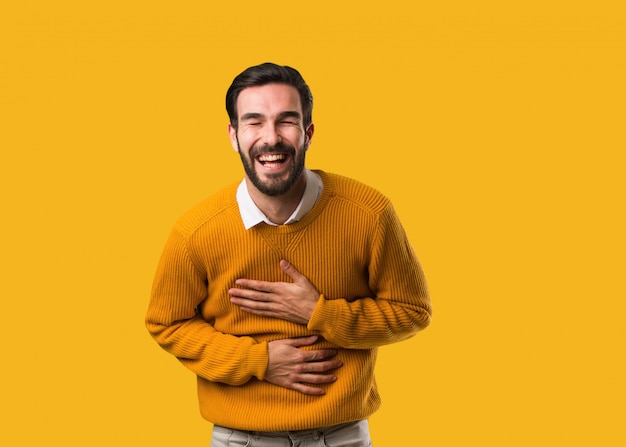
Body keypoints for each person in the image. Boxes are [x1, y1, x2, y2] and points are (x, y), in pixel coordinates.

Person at [146, 62, 432, 447]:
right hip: (240, 439)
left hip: (342, 436)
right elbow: (167, 324)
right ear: (233, 135)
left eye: (286, 121)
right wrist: (259, 360)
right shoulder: (196, 232)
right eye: (254, 122)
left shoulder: (369, 213)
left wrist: (320, 312)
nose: (271, 138)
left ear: (308, 132)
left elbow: (412, 310)